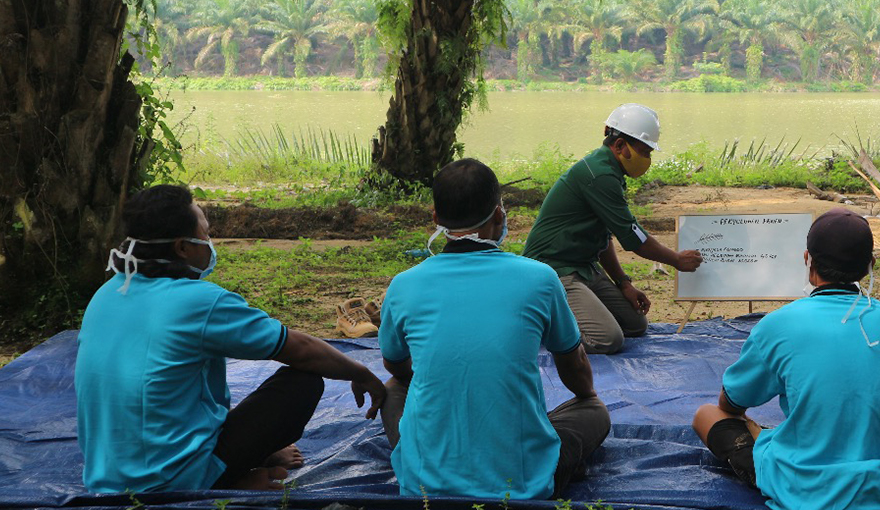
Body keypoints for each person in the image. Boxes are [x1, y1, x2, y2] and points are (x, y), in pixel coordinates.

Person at [76, 185, 387, 493]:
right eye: (206, 234)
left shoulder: (107, 293)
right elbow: (301, 350)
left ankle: (242, 461)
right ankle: (225, 480)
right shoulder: (198, 301)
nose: (210, 243)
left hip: (106, 476)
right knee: (303, 381)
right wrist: (360, 372)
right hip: (172, 480)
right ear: (183, 248)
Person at [378, 159, 610, 500]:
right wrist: (586, 396)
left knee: (392, 389)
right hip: (522, 483)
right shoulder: (540, 278)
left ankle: (424, 455)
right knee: (595, 411)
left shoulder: (403, 285)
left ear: (436, 218)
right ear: (499, 216)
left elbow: (395, 364)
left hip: (424, 486)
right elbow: (574, 366)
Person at [691, 208, 880, 510]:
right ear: (871, 265)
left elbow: (731, 404)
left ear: (807, 259)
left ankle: (768, 468)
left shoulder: (777, 325)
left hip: (799, 489)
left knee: (706, 414)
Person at [523, 103, 703, 354]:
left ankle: (566, 314)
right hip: (554, 270)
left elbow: (605, 237)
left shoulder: (610, 172)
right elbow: (634, 237)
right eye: (644, 152)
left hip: (583, 267)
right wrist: (676, 259)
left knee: (635, 324)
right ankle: (541, 323)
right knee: (607, 339)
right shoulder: (599, 175)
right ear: (619, 146)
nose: (647, 160)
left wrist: (623, 283)